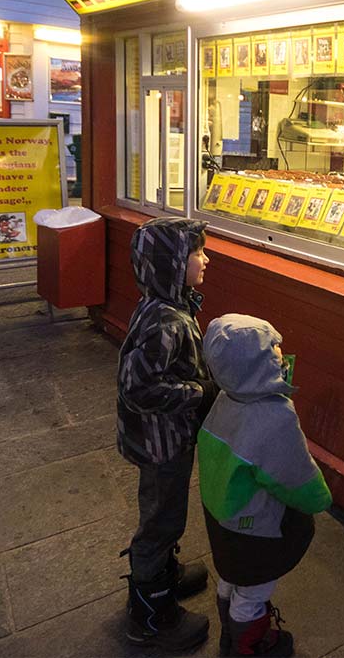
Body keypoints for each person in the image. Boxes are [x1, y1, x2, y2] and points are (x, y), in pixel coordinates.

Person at [199, 314, 332, 657]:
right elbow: (294, 475)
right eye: (271, 347)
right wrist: (319, 497)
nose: (280, 350)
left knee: (230, 575)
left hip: (221, 517)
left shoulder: (225, 399)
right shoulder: (274, 416)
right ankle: (250, 644)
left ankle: (230, 635)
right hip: (254, 528)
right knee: (254, 589)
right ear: (254, 363)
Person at [117, 217, 219, 651]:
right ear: (173, 263)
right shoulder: (166, 320)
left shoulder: (166, 305)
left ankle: (162, 573)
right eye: (198, 253)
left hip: (166, 437)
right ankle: (150, 610)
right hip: (163, 443)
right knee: (161, 518)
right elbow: (137, 386)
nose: (206, 259)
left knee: (166, 512)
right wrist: (197, 392)